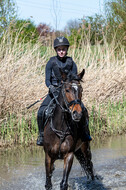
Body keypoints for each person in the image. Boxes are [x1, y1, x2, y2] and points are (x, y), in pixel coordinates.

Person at [37, 36, 92, 146]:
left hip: (68, 93)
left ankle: (84, 133)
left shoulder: (71, 62)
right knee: (41, 112)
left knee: (83, 110)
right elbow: (47, 80)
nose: (61, 51)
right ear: (56, 50)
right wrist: (51, 87)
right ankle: (41, 135)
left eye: (63, 49)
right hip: (54, 92)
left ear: (66, 50)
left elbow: (74, 80)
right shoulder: (50, 62)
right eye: (59, 49)